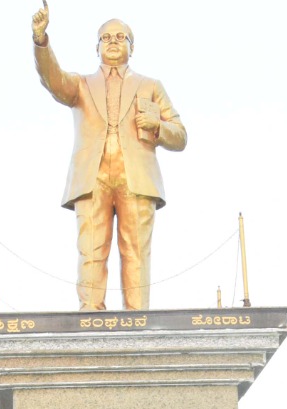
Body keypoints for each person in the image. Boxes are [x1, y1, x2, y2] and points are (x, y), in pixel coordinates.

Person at [31, 4, 187, 310]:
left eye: (120, 37)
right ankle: (90, 315)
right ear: (97, 47)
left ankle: (137, 317)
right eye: (105, 37)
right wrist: (41, 40)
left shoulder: (150, 86)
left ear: (132, 46)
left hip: (136, 179)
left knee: (136, 252)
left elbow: (180, 135)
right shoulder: (80, 85)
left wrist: (157, 126)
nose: (112, 42)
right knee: (90, 250)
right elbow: (52, 78)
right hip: (93, 177)